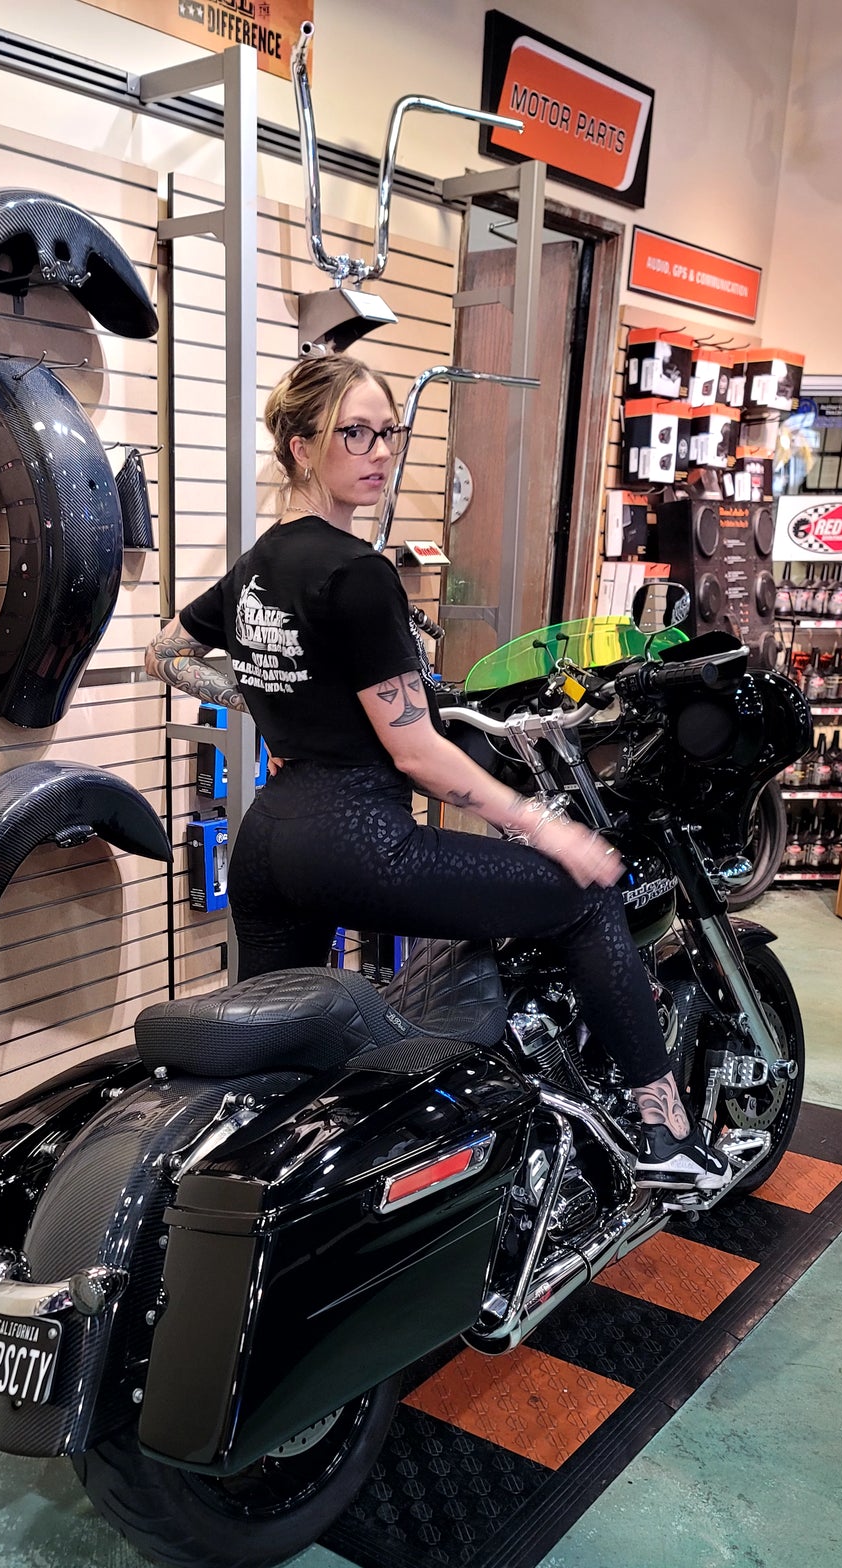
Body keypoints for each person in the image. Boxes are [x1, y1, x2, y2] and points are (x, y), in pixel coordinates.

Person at [146, 354, 727, 1193]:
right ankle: (660, 1134)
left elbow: (164, 651)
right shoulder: (357, 574)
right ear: (303, 447)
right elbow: (417, 754)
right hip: (356, 839)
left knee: (278, 1062)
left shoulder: (262, 563)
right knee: (586, 895)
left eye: (388, 432)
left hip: (268, 844)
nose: (378, 451)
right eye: (354, 432)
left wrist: (280, 700)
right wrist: (545, 825)